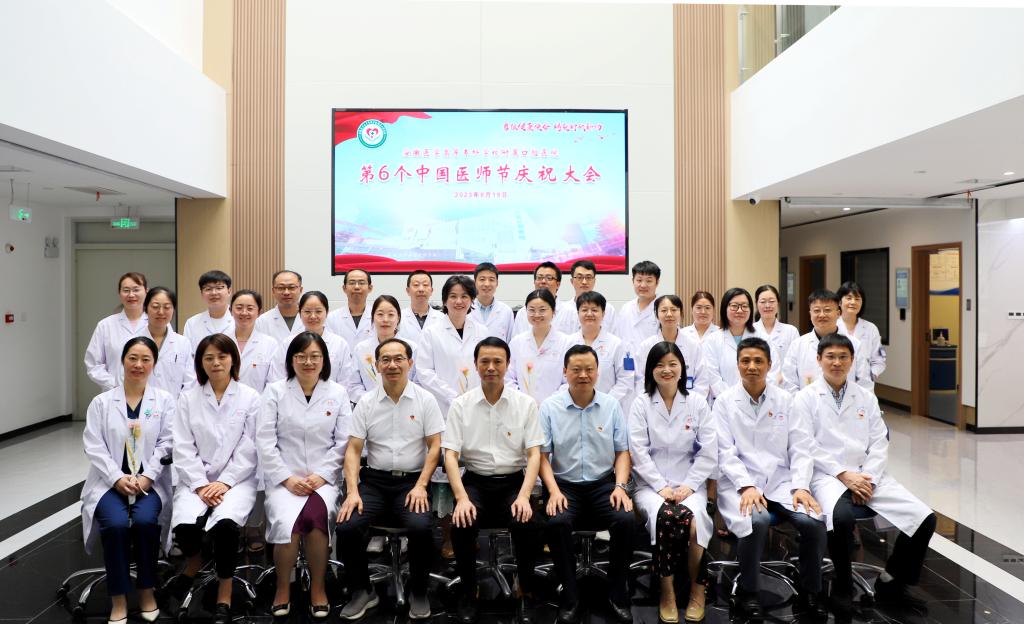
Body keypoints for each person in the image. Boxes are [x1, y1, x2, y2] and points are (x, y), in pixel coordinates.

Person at [793, 334, 935, 615]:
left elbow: (880, 441)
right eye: (830, 357)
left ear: (852, 360)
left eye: (843, 357)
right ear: (819, 360)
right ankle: (843, 585)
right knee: (841, 518)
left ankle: (892, 581)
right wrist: (843, 475)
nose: (836, 362)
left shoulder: (865, 397)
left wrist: (867, 478)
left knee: (924, 518)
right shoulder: (805, 398)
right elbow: (805, 443)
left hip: (867, 475)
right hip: (827, 476)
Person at [712, 337, 828, 620]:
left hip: (781, 482)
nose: (751, 366)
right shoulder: (724, 402)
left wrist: (801, 486)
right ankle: (748, 592)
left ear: (769, 365)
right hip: (740, 484)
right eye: (745, 361)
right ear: (737, 365)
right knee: (757, 520)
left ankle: (810, 590)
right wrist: (746, 485)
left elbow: (800, 447)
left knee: (813, 522)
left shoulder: (786, 400)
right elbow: (724, 451)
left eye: (758, 361)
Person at [336, 338, 443, 621]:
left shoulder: (425, 400)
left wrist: (421, 485)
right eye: (385, 359)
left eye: (399, 359)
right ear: (377, 365)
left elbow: (435, 446)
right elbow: (354, 450)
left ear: (410, 363)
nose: (392, 365)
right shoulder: (366, 402)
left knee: (421, 527)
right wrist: (352, 491)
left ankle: (418, 591)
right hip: (374, 482)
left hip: (412, 483)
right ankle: (362, 590)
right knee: (347, 526)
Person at [444, 337, 546, 624]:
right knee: (462, 522)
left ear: (508, 364)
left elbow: (534, 454)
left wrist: (524, 496)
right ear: (475, 365)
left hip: (513, 483)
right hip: (474, 482)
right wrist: (461, 498)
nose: (491, 367)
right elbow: (450, 455)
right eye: (485, 361)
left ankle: (524, 589)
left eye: (497, 361)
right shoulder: (461, 405)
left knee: (528, 523)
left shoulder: (525, 404)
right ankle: (469, 590)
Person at [257, 332, 351, 620]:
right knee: (287, 522)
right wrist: (286, 478)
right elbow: (265, 440)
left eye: (314, 356)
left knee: (316, 520)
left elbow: (344, 441)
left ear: (324, 360)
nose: (308, 362)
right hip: (284, 479)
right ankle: (282, 588)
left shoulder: (338, 393)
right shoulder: (275, 391)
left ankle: (318, 588)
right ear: (291, 360)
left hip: (323, 480)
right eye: (301, 356)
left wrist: (322, 475)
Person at [80, 337, 174, 624]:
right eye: (133, 358)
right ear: (122, 361)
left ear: (154, 364)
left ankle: (146, 591)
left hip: (148, 483)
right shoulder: (101, 403)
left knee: (145, 522)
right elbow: (93, 445)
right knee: (116, 525)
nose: (138, 365)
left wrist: (148, 477)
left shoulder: (164, 401)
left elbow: (167, 442)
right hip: (109, 483)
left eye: (146, 359)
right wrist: (116, 478)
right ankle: (118, 598)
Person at [540, 345, 636, 624]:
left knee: (625, 519)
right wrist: (553, 491)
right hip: (564, 485)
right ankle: (570, 596)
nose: (583, 375)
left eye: (589, 369)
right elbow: (542, 457)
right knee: (557, 522)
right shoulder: (550, 407)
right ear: (565, 372)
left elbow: (622, 452)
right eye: (576, 369)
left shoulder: (611, 405)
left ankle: (617, 594)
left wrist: (620, 487)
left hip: (603, 484)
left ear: (597, 372)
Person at [170, 334, 259, 624]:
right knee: (184, 525)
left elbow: (250, 445)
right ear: (200, 363)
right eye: (208, 358)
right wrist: (199, 484)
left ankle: (225, 590)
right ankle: (195, 561)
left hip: (237, 480)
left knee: (226, 526)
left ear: (233, 360)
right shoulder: (188, 398)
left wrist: (226, 481)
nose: (216, 363)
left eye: (222, 356)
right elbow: (183, 445)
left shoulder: (250, 397)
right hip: (196, 480)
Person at [628, 341, 716, 624]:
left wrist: (689, 485)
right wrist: (660, 486)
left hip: (690, 484)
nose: (666, 370)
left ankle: (697, 590)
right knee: (665, 517)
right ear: (650, 370)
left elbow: (709, 451)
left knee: (695, 524)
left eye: (672, 364)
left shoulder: (697, 403)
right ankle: (666, 593)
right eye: (659, 365)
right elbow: (638, 451)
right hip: (651, 485)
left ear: (682, 369)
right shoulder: (641, 403)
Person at [416, 275, 491, 415]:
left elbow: (487, 368)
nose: (459, 301)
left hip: (477, 405)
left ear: (472, 300)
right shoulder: (431, 333)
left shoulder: (482, 331)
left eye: (464, 296)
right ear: (444, 301)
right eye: (453, 296)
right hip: (443, 407)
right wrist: (452, 396)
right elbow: (424, 372)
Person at [782, 290, 871, 394]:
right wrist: (803, 403)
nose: (822, 315)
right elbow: (789, 383)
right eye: (816, 310)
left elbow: (865, 384)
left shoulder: (855, 344)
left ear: (838, 313)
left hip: (847, 402)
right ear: (810, 314)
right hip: (807, 403)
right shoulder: (798, 345)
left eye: (827, 310)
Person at [270, 291, 359, 391]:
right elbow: (278, 377)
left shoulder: (340, 344)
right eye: (307, 311)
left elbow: (346, 381)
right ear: (300, 313)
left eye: (318, 311)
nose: (313, 316)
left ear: (327, 312)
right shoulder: (288, 343)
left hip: (331, 398)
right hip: (293, 397)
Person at [568, 291, 634, 414]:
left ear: (603, 313)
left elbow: (626, 379)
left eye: (594, 310)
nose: (589, 314)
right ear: (578, 313)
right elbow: (563, 378)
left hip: (607, 409)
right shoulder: (568, 342)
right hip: (574, 407)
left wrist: (605, 402)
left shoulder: (617, 344)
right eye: (584, 310)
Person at [507, 289, 575, 405]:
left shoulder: (566, 343)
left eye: (542, 310)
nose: (537, 315)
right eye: (532, 310)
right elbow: (508, 378)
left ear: (553, 311)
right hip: (522, 407)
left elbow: (570, 380)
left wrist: (548, 404)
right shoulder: (517, 342)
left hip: (556, 407)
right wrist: (524, 402)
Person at [634, 295, 708, 399]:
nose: (669, 314)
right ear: (656, 314)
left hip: (689, 403)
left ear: (681, 313)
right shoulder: (646, 346)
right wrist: (651, 402)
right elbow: (640, 380)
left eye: (674, 310)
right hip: (654, 403)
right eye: (664, 310)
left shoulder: (693, 345)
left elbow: (702, 381)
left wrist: (690, 403)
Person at [85, 272, 149, 391]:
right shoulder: (105, 325)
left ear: (146, 291)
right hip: (114, 393)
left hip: (150, 393)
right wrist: (114, 384)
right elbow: (93, 364)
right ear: (119, 293)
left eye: (136, 290)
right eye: (126, 290)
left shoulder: (156, 324)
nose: (131, 295)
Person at [350, 295, 418, 405]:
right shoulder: (361, 349)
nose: (385, 320)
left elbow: (418, 381)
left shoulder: (412, 347)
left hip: (405, 405)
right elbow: (354, 385)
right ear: (373, 318)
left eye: (391, 314)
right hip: (370, 407)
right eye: (380, 314)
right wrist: (373, 401)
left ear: (398, 318)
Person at [703, 287, 762, 402]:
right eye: (734, 306)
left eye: (744, 306)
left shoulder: (762, 337)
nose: (740, 310)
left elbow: (771, 372)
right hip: (724, 403)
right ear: (725, 308)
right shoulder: (712, 340)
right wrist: (732, 400)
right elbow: (712, 377)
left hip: (756, 400)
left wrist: (754, 396)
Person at [137, 287, 196, 395]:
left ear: (173, 310)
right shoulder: (133, 342)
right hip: (141, 403)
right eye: (155, 307)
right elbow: (125, 377)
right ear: (145, 308)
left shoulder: (183, 343)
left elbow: (190, 382)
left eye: (167, 307)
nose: (161, 312)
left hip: (175, 403)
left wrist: (180, 404)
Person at [227, 289, 278, 393]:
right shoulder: (222, 343)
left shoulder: (270, 344)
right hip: (226, 401)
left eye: (250, 308)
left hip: (259, 402)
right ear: (231, 310)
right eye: (239, 308)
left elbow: (273, 382)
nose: (244, 312)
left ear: (259, 312)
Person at [837, 281, 887, 382]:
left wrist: (871, 376)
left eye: (857, 299)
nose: (853, 302)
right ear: (839, 302)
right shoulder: (832, 327)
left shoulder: (871, 328)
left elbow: (879, 360)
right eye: (849, 298)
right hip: (837, 382)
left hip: (864, 385)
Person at [511, 262, 577, 337]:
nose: (543, 281)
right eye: (539, 278)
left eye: (549, 278)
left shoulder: (571, 313)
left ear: (558, 284)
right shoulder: (523, 313)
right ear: (534, 282)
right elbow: (516, 341)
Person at [753, 284, 799, 386]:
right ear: (756, 304)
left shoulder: (791, 331)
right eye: (763, 302)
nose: (767, 305)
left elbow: (796, 363)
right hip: (756, 386)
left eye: (771, 301)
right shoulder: (749, 331)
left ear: (778, 303)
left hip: (785, 386)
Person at [182, 270, 235, 353]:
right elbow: (187, 355)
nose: (214, 293)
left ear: (229, 291)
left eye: (219, 288)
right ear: (202, 294)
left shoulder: (239, 319)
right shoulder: (192, 323)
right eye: (208, 289)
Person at [612, 260, 661, 347]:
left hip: (652, 355)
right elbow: (618, 338)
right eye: (639, 280)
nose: (643, 285)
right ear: (633, 281)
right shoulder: (626, 308)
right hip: (626, 355)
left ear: (657, 283)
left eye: (649, 281)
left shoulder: (663, 308)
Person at [326, 268, 376, 349]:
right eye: (352, 283)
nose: (356, 287)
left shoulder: (377, 317)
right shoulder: (332, 318)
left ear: (370, 288)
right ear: (344, 288)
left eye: (361, 283)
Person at [563, 259, 616, 334]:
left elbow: (614, 336)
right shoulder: (563, 310)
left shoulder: (608, 309)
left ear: (594, 281)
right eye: (579, 277)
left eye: (588, 277)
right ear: (572, 281)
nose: (584, 282)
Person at [468, 262, 515, 342]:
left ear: (497, 283)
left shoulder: (506, 311)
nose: (487, 284)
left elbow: (510, 342)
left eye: (491, 280)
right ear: (475, 282)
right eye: (482, 279)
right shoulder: (466, 309)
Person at [255, 270, 305, 343]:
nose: (286, 292)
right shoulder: (261, 322)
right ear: (273, 291)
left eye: (291, 287)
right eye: (281, 288)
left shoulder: (311, 319)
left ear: (300, 290)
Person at [399, 270, 446, 344]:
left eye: (425, 285)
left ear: (431, 291)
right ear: (408, 291)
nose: (421, 289)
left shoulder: (442, 318)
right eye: (416, 285)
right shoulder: (399, 318)